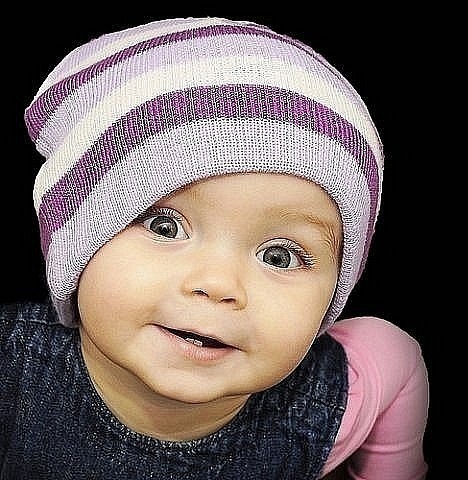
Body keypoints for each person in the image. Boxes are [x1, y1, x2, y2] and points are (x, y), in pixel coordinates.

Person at [0, 16, 429, 479]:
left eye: (280, 256)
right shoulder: (11, 366)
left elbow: (394, 355)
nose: (219, 284)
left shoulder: (326, 404)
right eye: (166, 227)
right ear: (74, 243)